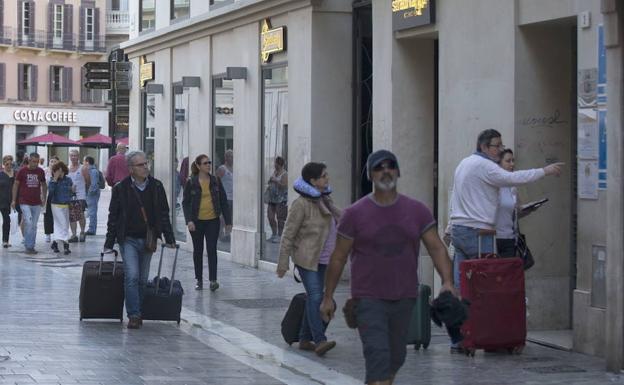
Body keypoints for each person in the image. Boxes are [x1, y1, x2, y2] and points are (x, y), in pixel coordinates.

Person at [319, 150, 455, 385]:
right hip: (367, 299)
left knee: (396, 358)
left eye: (390, 165)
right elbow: (338, 257)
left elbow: (437, 248)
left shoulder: (417, 211)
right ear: (371, 175)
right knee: (378, 357)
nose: (385, 170)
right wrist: (328, 297)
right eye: (379, 167)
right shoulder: (354, 214)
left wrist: (447, 283)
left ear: (398, 171)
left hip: (404, 297)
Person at [447, 129, 563, 350]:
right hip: (478, 233)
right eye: (496, 146)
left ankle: (460, 339)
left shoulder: (464, 163)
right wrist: (544, 171)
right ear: (483, 147)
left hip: (460, 231)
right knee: (486, 288)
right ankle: (489, 338)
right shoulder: (485, 166)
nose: (500, 150)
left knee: (462, 289)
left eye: (501, 145)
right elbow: (513, 178)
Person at [103, 150, 176, 329]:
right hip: (127, 238)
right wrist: (109, 242)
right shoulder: (121, 188)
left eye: (146, 164)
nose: (145, 167)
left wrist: (169, 237)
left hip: (148, 239)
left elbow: (164, 214)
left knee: (143, 279)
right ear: (131, 169)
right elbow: (114, 216)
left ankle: (138, 310)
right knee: (132, 276)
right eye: (141, 165)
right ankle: (134, 314)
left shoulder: (156, 186)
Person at [277, 162, 341, 356]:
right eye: (323, 176)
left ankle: (305, 338)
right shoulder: (300, 204)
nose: (327, 178)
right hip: (307, 259)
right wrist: (282, 263)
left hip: (324, 259)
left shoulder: (326, 200)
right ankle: (319, 340)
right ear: (313, 181)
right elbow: (288, 234)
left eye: (326, 175)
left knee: (316, 298)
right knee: (315, 297)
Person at [182, 154, 232, 291]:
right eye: (205, 163)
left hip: (213, 221)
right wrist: (189, 221)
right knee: (198, 251)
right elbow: (185, 203)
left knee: (211, 249)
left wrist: (228, 222)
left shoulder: (216, 180)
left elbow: (223, 201)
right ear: (198, 166)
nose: (208, 165)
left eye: (209, 162)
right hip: (196, 222)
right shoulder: (191, 182)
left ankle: (213, 280)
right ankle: (199, 279)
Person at [11, 152, 47, 254]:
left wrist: (44, 197)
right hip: (24, 201)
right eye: (33, 161)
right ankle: (29, 246)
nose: (35, 164)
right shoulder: (22, 171)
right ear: (29, 160)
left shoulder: (40, 171)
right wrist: (14, 200)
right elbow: (15, 185)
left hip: (36, 202)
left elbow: (44, 185)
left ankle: (31, 245)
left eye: (37, 162)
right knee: (29, 222)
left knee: (34, 225)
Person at [48, 161, 73, 255]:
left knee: (63, 225)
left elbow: (71, 193)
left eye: (59, 170)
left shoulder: (68, 180)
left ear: (62, 170)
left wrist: (72, 190)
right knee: (62, 224)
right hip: (56, 205)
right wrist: (55, 179)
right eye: (55, 171)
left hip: (66, 205)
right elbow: (50, 192)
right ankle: (66, 245)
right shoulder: (52, 181)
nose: (57, 172)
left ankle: (55, 243)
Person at [67, 149, 89, 243]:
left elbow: (88, 181)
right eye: (72, 155)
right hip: (70, 196)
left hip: (80, 195)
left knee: (80, 214)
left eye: (75, 155)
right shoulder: (67, 168)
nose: (73, 157)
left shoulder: (83, 168)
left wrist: (83, 191)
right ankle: (73, 234)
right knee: (72, 215)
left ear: (78, 156)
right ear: (69, 156)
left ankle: (82, 232)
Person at [265, 156, 288, 243]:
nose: (274, 165)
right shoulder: (275, 172)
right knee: (270, 217)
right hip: (272, 198)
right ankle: (273, 234)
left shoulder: (284, 174)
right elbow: (270, 182)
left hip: (281, 199)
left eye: (276, 164)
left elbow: (284, 186)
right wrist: (270, 180)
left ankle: (280, 235)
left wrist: (276, 181)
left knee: (280, 218)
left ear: (280, 164)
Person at [216, 150, 233, 241]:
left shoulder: (234, 168)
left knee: (230, 217)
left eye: (233, 156)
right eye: (230, 156)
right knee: (223, 217)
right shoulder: (222, 169)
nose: (232, 158)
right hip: (225, 197)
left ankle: (228, 234)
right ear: (226, 157)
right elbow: (216, 181)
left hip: (233, 197)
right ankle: (220, 233)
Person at [44, 156, 59, 245]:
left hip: (57, 196)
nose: (53, 163)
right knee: (47, 215)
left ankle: (57, 234)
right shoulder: (45, 171)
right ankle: (48, 234)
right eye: (51, 161)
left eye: (55, 161)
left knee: (58, 215)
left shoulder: (60, 171)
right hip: (48, 196)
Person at [0, 155, 15, 248]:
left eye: (10, 164)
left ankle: (6, 240)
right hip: (2, 201)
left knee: (7, 221)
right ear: (4, 164)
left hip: (12, 200)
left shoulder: (15, 173)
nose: (9, 166)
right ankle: (5, 241)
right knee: (6, 219)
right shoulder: (1, 175)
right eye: (7, 164)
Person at [84, 156, 100, 236]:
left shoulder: (93, 171)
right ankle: (92, 228)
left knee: (92, 212)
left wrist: (89, 193)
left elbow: (94, 184)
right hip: (92, 193)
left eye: (84, 161)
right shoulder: (91, 170)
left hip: (92, 194)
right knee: (92, 211)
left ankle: (92, 229)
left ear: (87, 161)